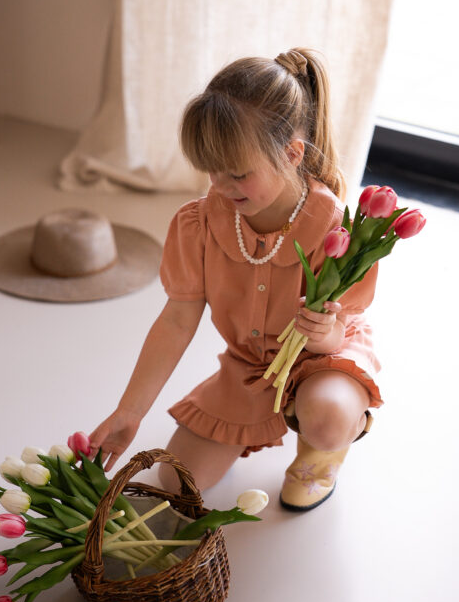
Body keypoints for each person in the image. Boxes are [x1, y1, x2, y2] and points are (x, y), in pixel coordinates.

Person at [89, 48, 382, 511]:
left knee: (326, 417)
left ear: (291, 153)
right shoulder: (201, 223)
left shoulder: (336, 232)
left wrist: (325, 334)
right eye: (212, 170)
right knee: (174, 484)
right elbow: (176, 321)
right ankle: (279, 413)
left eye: (238, 173)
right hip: (249, 368)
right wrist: (130, 413)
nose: (221, 186)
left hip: (321, 358)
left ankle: (324, 450)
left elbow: (341, 327)